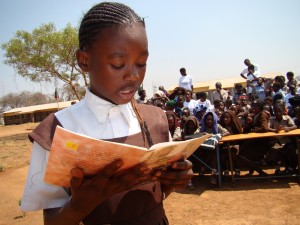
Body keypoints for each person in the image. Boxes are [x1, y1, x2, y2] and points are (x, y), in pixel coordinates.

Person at [20, 3, 193, 225]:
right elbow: (53, 221)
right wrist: (80, 205)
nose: (133, 76)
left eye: (141, 63)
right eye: (118, 64)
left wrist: (174, 180)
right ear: (84, 60)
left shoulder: (156, 119)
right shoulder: (58, 131)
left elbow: (154, 197)